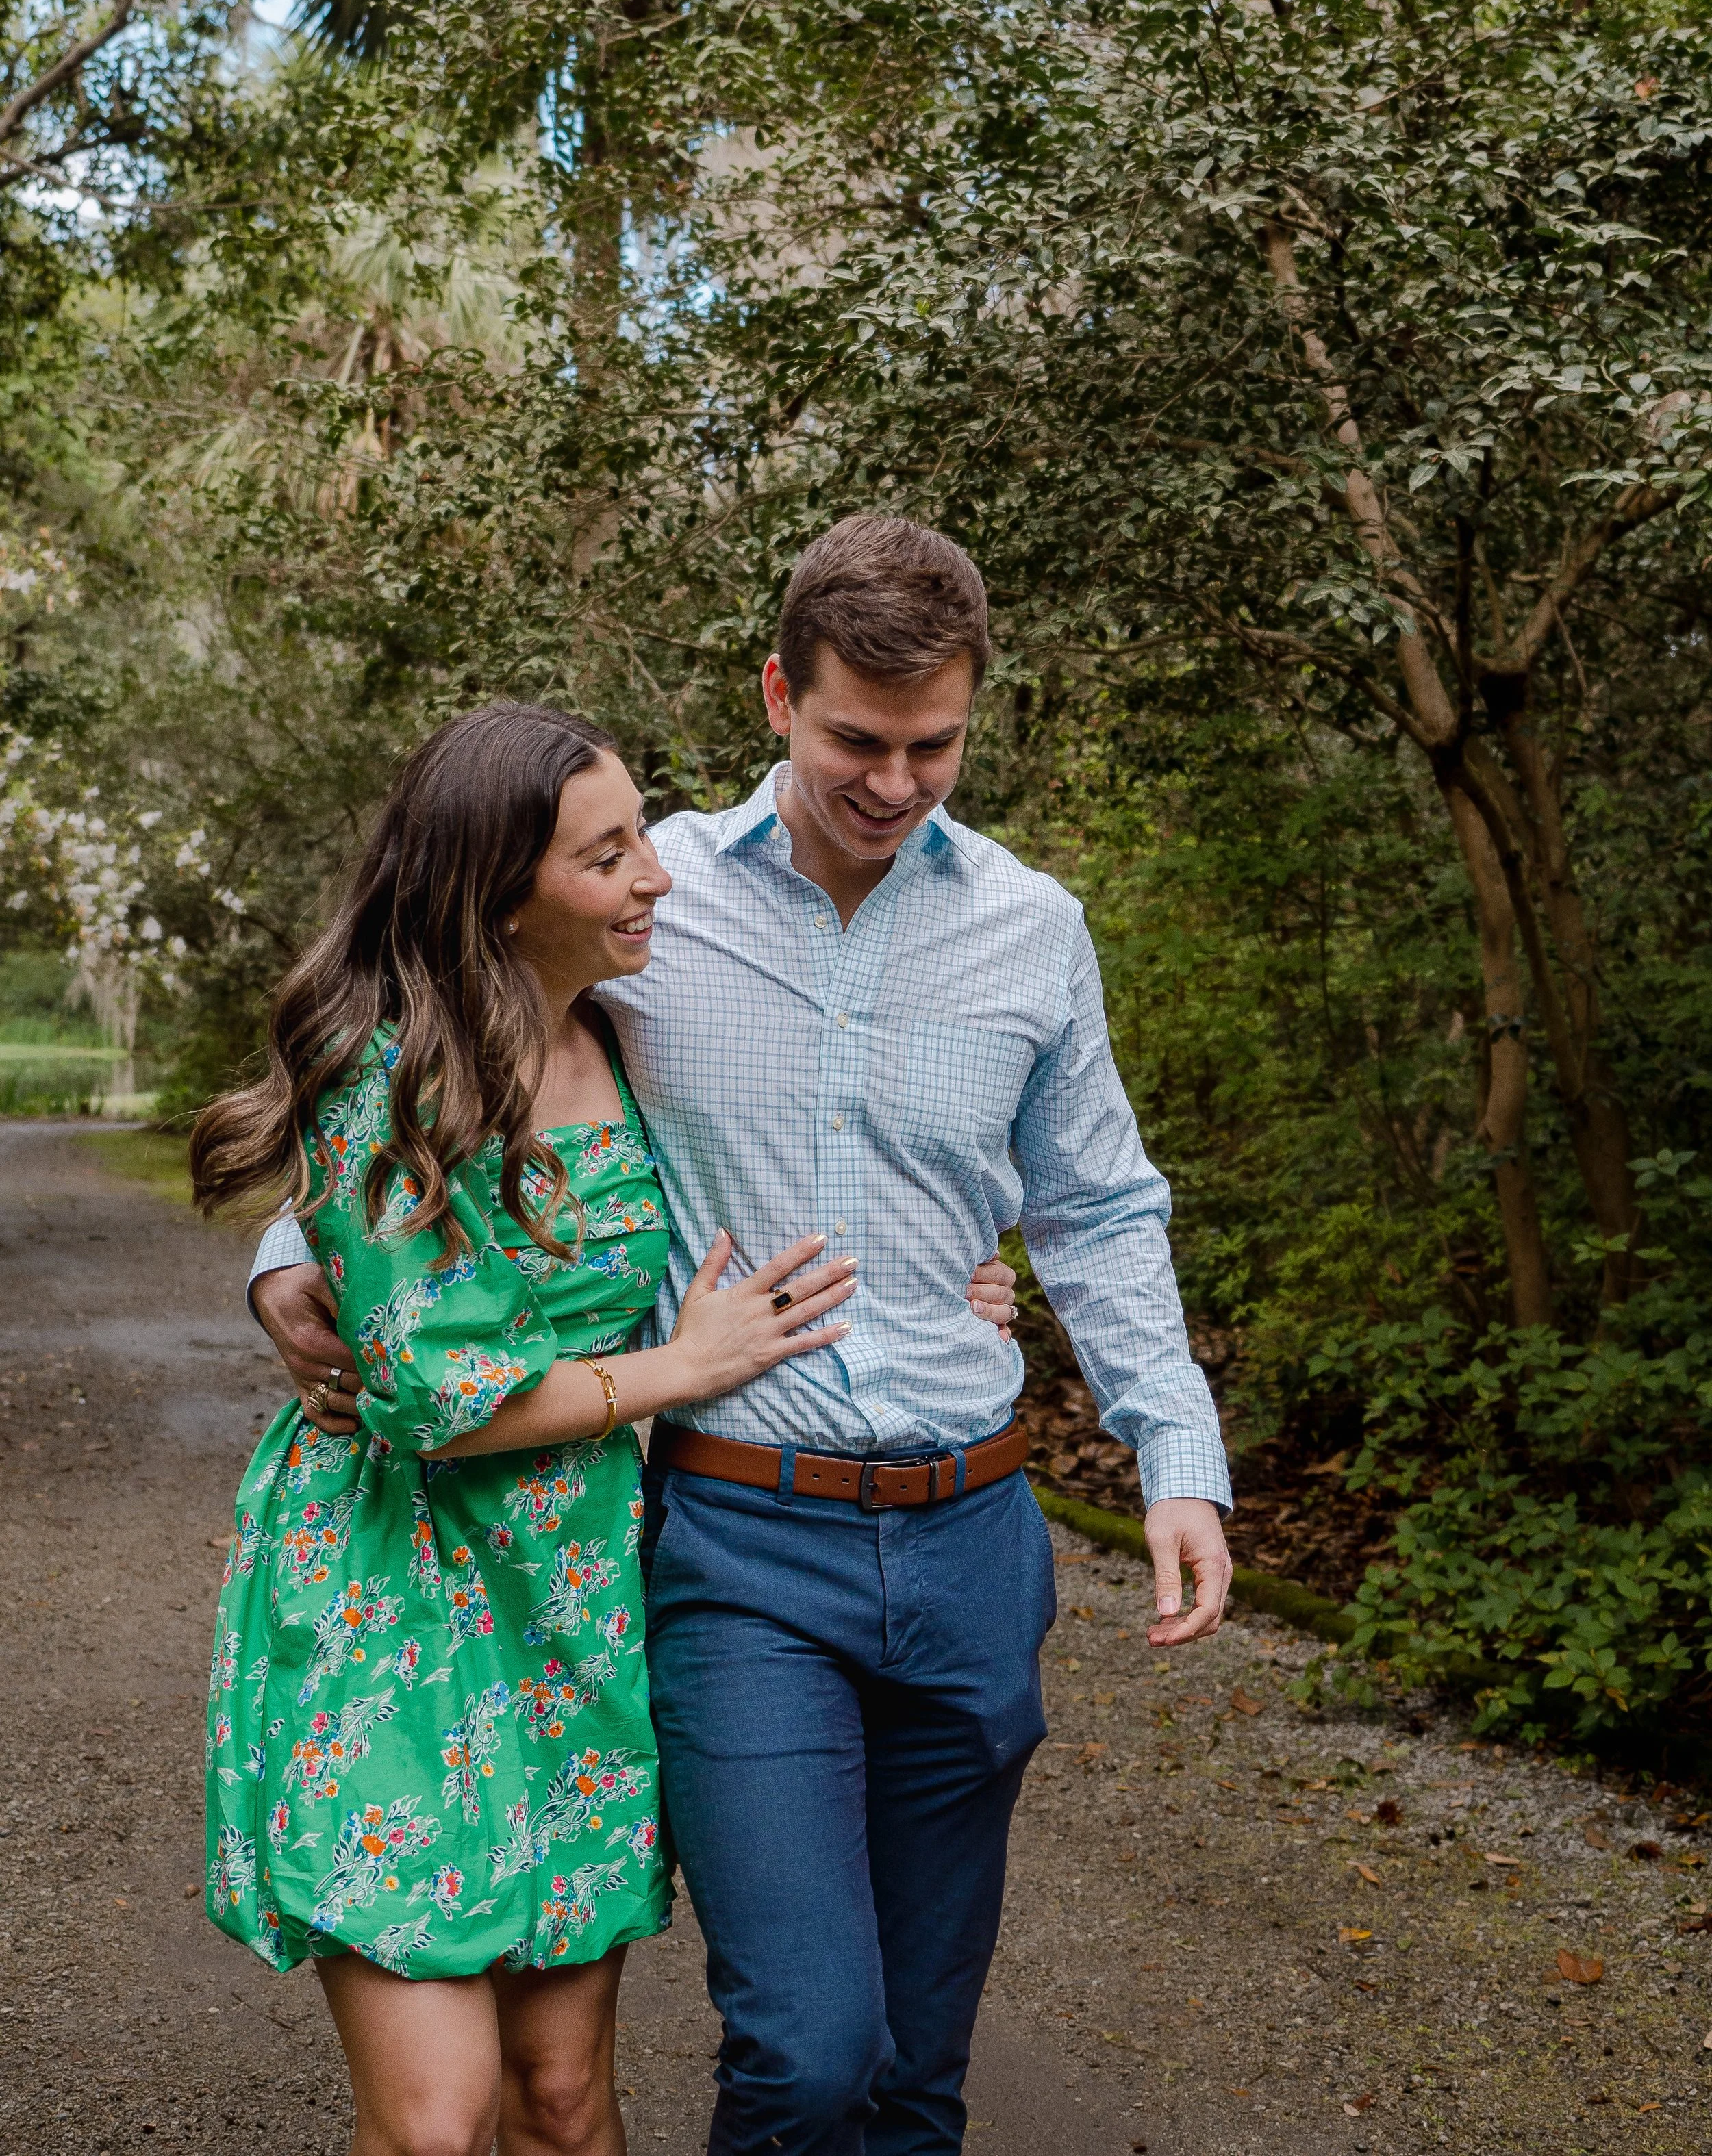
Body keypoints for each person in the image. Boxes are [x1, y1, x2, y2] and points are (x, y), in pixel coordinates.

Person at [251, 513, 1234, 2156]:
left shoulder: (1030, 929)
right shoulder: (641, 901)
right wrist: (293, 1254)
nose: (894, 780)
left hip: (977, 1532)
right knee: (804, 2045)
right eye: (857, 736)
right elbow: (444, 1046)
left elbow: (1096, 1211)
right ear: (779, 694)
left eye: (934, 744)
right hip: (735, 1536)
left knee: (917, 2073)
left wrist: (1173, 1454)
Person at [190, 705, 864, 2156]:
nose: (656, 879)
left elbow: (817, 1158)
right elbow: (442, 1401)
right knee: (439, 2122)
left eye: (642, 840)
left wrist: (971, 1285)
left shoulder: (628, 1038)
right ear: (499, 891)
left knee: (562, 2101)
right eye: (608, 856)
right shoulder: (389, 1078)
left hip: (568, 1608)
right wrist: (681, 1373)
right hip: (389, 1597)